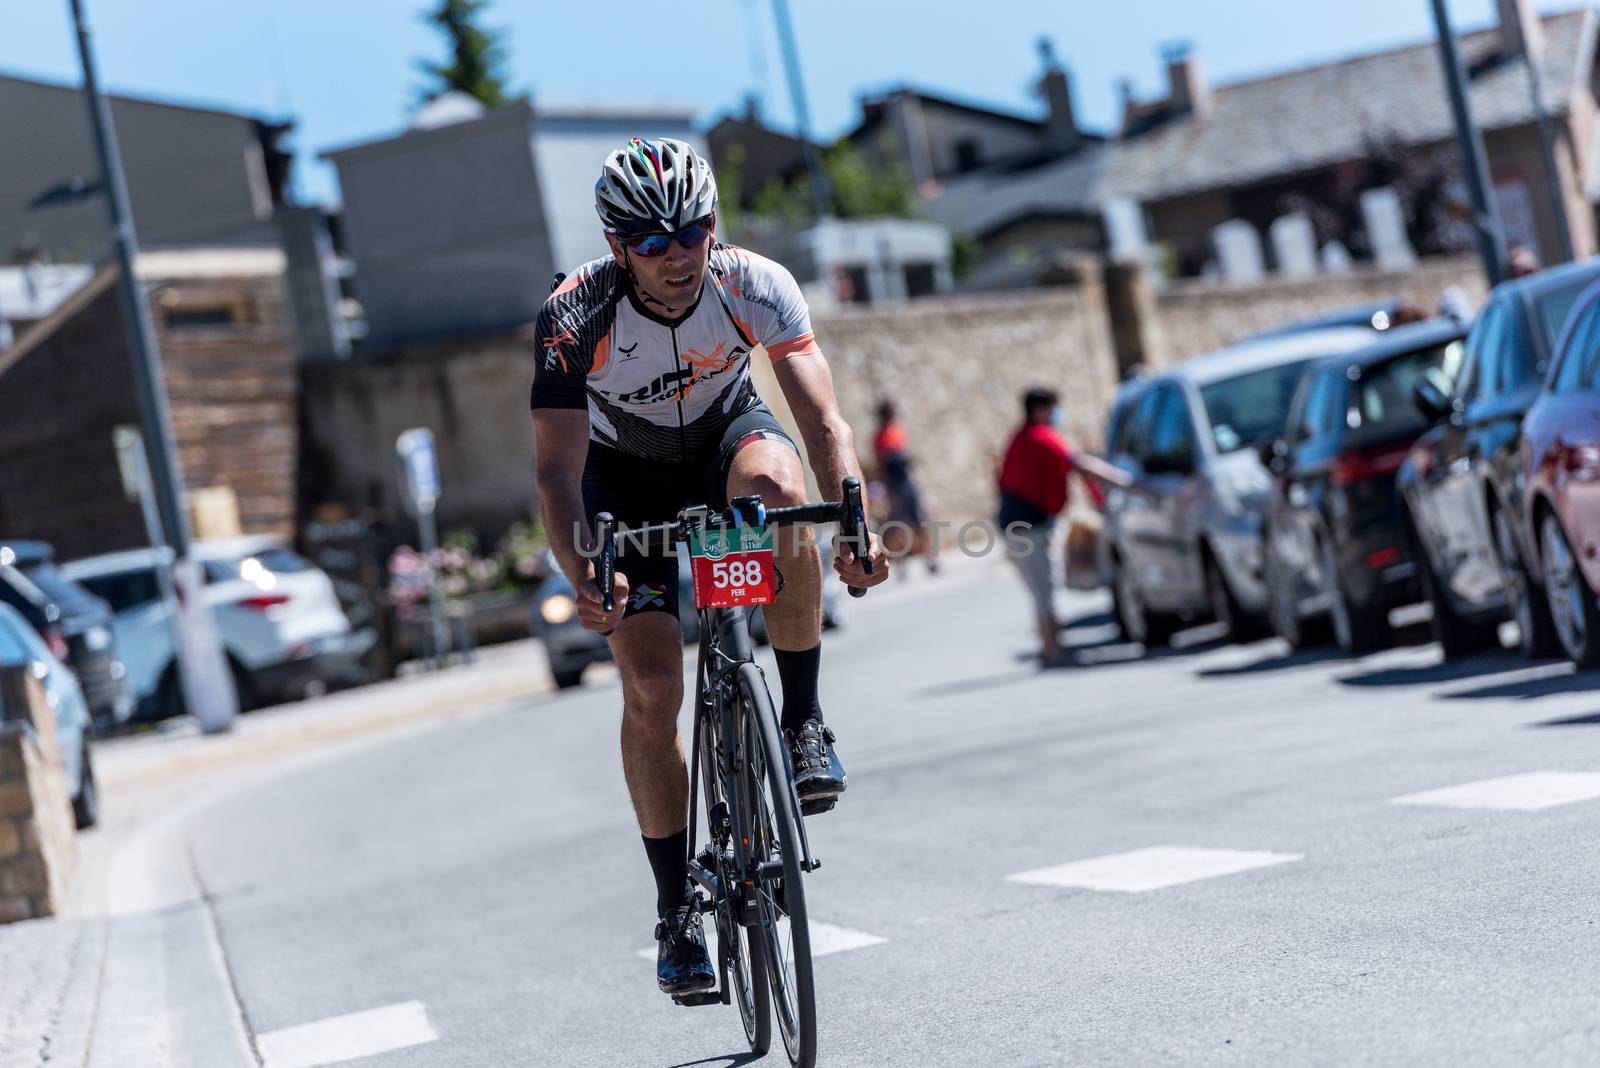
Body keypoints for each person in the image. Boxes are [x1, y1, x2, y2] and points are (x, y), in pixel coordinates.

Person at [529, 137, 888, 997]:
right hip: (624, 477)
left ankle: (801, 720)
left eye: (691, 230)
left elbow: (824, 419)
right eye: (652, 242)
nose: (677, 254)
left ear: (713, 225)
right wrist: (587, 572)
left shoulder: (753, 282)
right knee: (653, 688)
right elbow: (554, 470)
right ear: (619, 248)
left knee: (777, 490)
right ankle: (676, 910)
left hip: (727, 441)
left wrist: (855, 516)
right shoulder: (575, 315)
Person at [997, 387, 1130, 666]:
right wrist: (1126, 481)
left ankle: (1053, 645)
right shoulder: (1041, 439)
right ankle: (1051, 648)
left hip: (1018, 526)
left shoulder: (1020, 438)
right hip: (1028, 527)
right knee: (1044, 588)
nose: (1057, 414)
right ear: (1039, 410)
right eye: (1053, 408)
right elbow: (1079, 464)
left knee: (1041, 587)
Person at [871, 399, 937, 573]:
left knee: (920, 520)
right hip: (896, 485)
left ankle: (929, 557)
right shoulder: (880, 436)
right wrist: (887, 489)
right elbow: (881, 466)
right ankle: (900, 561)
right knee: (897, 525)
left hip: (907, 482)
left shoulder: (897, 431)